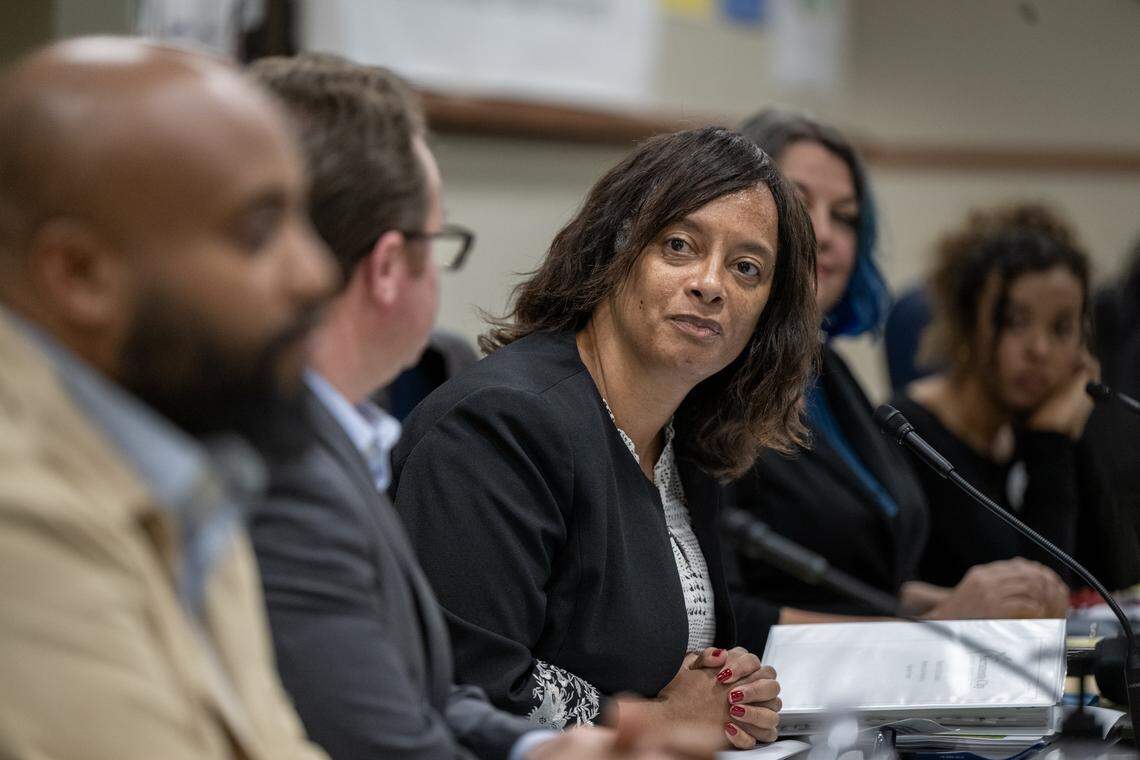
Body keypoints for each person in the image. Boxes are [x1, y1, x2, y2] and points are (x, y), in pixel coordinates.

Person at [246, 54, 720, 760]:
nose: (710, 285)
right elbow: (381, 740)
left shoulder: (342, 440)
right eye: (438, 244)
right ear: (386, 269)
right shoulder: (280, 471)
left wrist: (545, 752)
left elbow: (424, 693)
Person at [391, 126, 818, 749]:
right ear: (614, 251)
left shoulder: (682, 435)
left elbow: (652, 664)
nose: (711, 283)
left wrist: (727, 687)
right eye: (679, 246)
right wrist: (654, 722)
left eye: (746, 268)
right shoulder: (498, 424)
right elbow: (469, 682)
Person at [0, 37, 337, 759]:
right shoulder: (20, 509)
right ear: (79, 274)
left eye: (303, 218)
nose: (315, 273)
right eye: (258, 229)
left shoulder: (178, 447)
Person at [726, 110, 1069, 653]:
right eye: (798, 205)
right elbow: (724, 615)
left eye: (845, 217)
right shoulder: (714, 381)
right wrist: (927, 631)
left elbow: (857, 583)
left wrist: (955, 606)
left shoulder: (824, 369)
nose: (825, 233)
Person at [894, 202, 1140, 590]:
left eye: (1061, 329)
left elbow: (1113, 575)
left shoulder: (1031, 426)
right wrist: (1050, 444)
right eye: (1016, 322)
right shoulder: (906, 436)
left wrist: (1068, 434)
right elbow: (1037, 599)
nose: (1039, 350)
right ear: (968, 321)